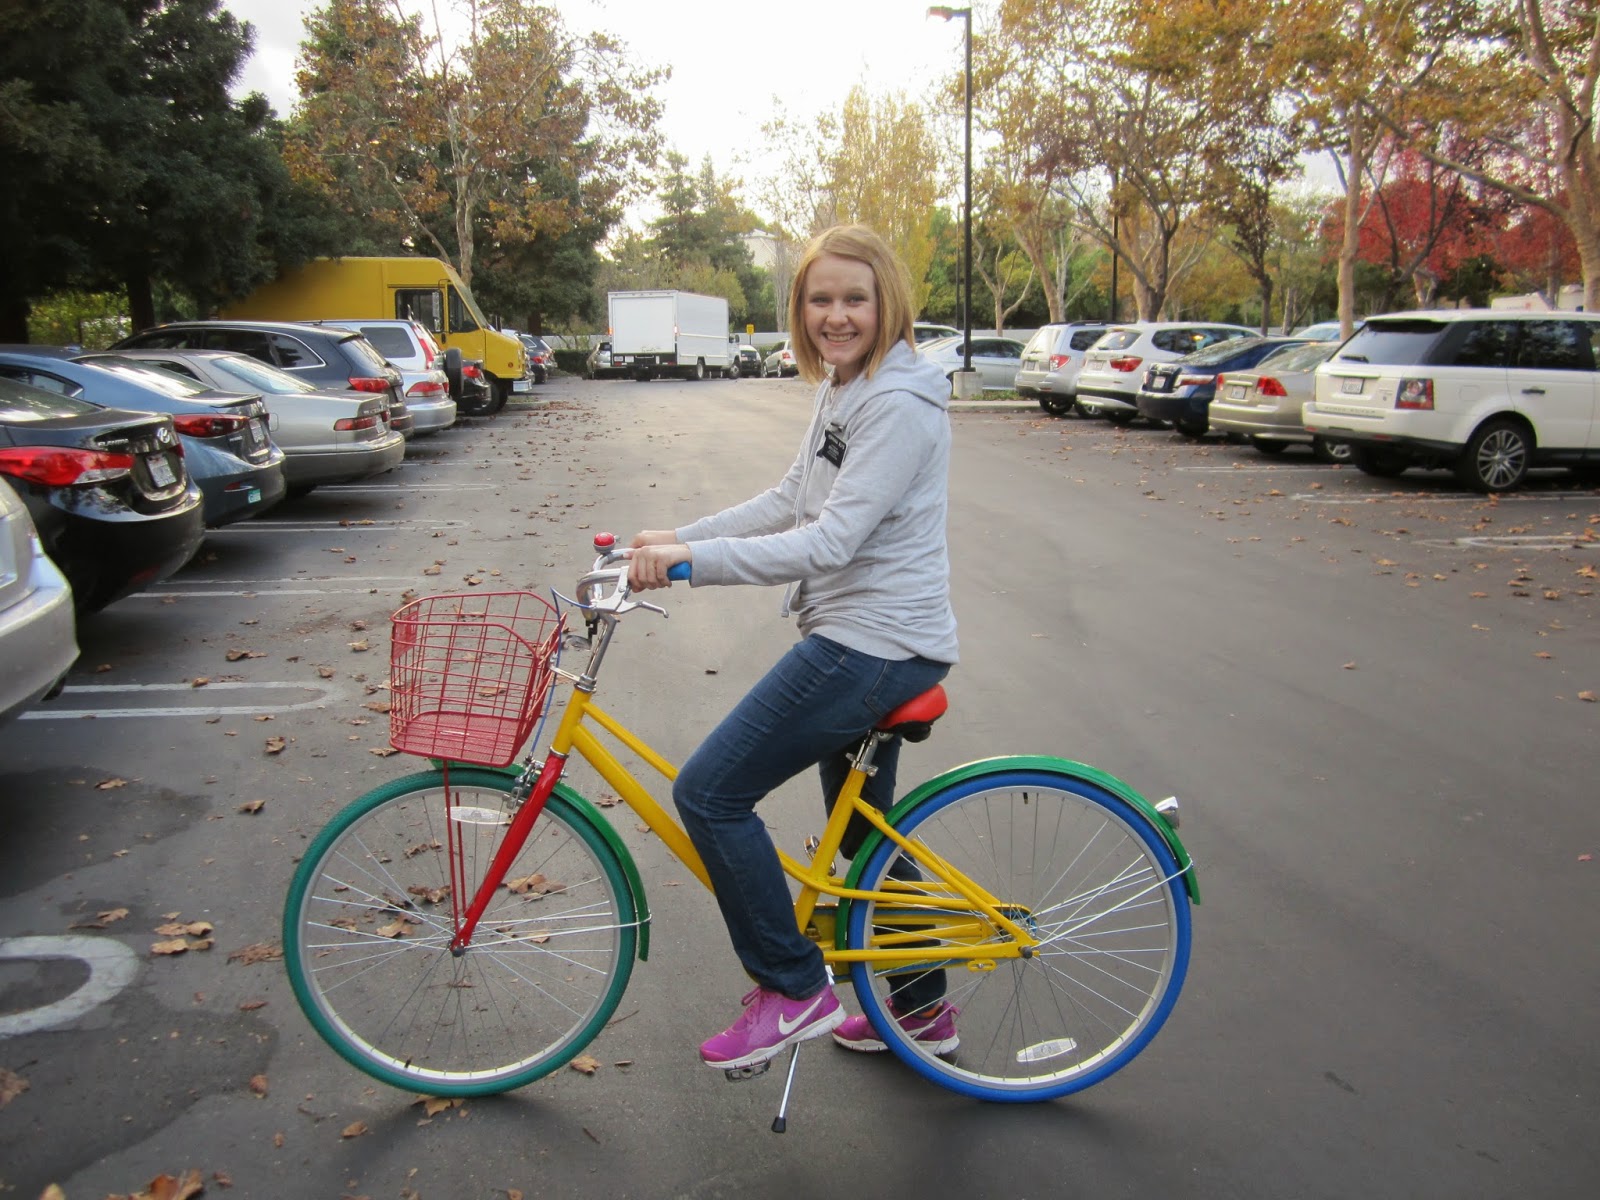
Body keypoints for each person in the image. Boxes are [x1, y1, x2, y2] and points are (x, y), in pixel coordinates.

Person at [626, 223, 960, 1072]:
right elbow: (790, 498)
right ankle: (923, 1011)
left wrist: (692, 564)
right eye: (820, 299)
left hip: (872, 645)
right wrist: (680, 534)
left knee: (709, 793)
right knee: (866, 842)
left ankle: (794, 987)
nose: (836, 315)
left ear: (888, 303)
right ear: (800, 308)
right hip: (877, 639)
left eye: (855, 298)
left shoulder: (897, 405)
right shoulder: (849, 387)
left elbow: (830, 541)